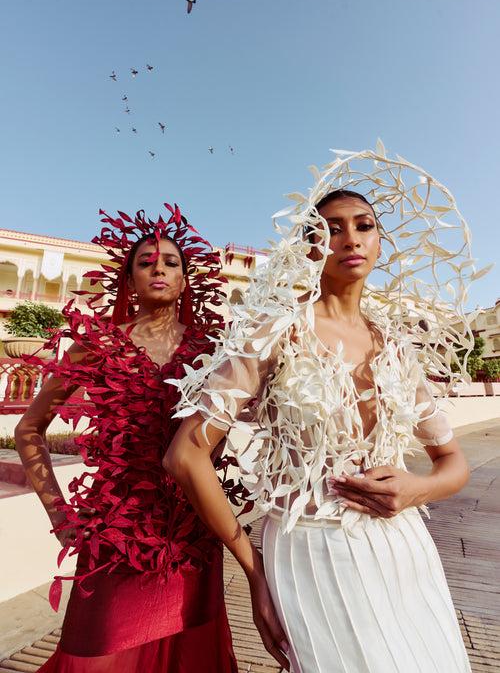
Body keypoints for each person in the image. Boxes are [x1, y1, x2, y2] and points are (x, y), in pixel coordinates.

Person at [164, 145, 477, 673]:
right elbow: (185, 455)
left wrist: (415, 488)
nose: (350, 238)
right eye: (332, 228)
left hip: (402, 547)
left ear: (380, 243)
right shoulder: (276, 332)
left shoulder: (398, 349)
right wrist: (254, 568)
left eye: (364, 225)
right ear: (311, 244)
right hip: (310, 552)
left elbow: (453, 463)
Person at [15, 204, 239, 673]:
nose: (158, 267)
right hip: (114, 534)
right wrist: (61, 517)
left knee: (187, 657)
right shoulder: (98, 343)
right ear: (129, 278)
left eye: (171, 262)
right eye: (145, 261)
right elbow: (29, 429)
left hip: (191, 532)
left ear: (184, 280)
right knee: (98, 653)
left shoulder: (215, 352)